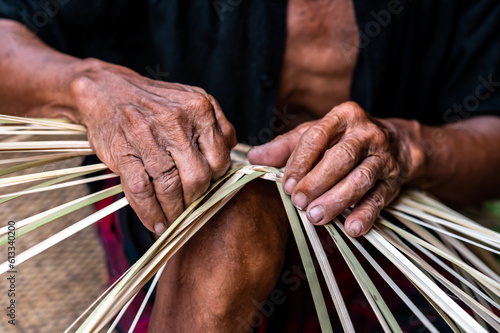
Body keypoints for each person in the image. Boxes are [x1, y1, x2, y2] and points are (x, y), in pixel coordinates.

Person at [0, 0, 499, 331]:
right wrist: (89, 86)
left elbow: (489, 131)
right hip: (165, 219)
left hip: (379, 237)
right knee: (234, 221)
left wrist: (409, 147)